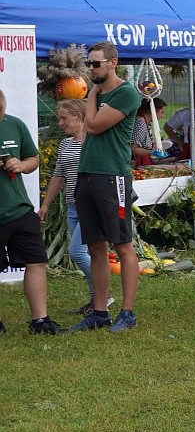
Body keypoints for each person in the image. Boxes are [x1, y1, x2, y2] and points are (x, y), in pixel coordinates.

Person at [72, 42, 141, 332]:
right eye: (89, 64)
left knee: (122, 244)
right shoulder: (99, 94)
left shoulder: (126, 93)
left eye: (96, 64)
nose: (91, 69)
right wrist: (94, 96)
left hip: (113, 177)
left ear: (113, 62)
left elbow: (95, 125)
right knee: (95, 246)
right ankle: (100, 311)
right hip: (87, 174)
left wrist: (91, 95)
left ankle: (127, 312)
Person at [0, 91, 66, 335]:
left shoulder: (15, 124)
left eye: (1, 112)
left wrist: (21, 164)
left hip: (20, 208)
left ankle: (40, 321)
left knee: (37, 261)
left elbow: (33, 159)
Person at [39, 100, 100, 318]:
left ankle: (103, 296)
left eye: (64, 118)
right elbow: (58, 175)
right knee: (87, 252)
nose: (60, 122)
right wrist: (45, 204)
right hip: (73, 206)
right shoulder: (66, 144)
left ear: (80, 117)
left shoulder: (94, 141)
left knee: (77, 252)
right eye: (59, 118)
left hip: (91, 206)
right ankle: (96, 300)